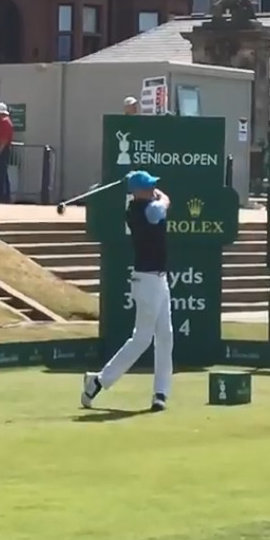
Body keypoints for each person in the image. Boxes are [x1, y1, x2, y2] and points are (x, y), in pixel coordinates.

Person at [81, 171, 172, 412]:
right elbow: (163, 204)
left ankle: (160, 393)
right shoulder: (146, 210)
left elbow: (159, 198)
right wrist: (162, 195)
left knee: (166, 337)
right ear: (137, 192)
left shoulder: (139, 205)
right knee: (142, 338)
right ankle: (98, 381)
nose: (153, 189)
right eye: (149, 186)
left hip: (159, 279)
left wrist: (155, 191)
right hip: (148, 281)